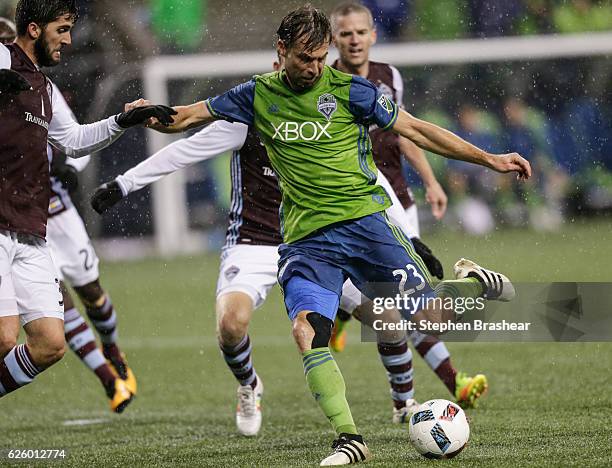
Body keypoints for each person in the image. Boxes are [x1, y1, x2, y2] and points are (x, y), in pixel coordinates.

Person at [140, 6, 531, 464]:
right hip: (308, 243)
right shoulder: (256, 94)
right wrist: (145, 115)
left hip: (367, 226)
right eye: (305, 58)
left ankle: (473, 283)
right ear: (281, 51)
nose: (314, 68)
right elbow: (184, 117)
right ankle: (349, 437)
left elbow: (417, 130)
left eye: (321, 58)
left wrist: (490, 159)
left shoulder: (352, 91)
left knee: (431, 320)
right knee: (308, 331)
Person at [91, 55, 444, 434]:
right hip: (255, 238)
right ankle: (249, 384)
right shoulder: (254, 108)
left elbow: (368, 176)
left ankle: (404, 402)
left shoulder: (330, 112)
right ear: (280, 61)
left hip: (319, 238)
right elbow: (184, 149)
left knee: (385, 317)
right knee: (231, 323)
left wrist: (407, 235)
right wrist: (125, 183)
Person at [0, 0, 174, 400]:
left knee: (49, 345)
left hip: (31, 232)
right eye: (61, 30)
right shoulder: (5, 59)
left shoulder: (43, 88)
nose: (68, 40)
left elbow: (75, 142)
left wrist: (122, 120)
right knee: (5, 339)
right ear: (33, 29)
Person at [328, 2, 488, 412]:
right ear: (335, 40)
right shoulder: (325, 84)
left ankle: (423, 388)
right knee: (406, 303)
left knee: (407, 301)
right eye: (345, 34)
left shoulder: (388, 77)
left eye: (360, 32)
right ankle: (446, 385)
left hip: (397, 199)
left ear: (373, 35)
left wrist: (431, 181)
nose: (354, 40)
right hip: (354, 204)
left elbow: (404, 133)